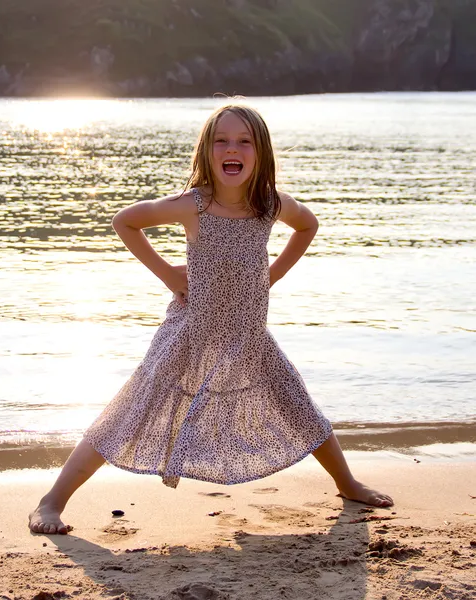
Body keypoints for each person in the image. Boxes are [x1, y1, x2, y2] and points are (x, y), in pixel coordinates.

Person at [29, 103, 393, 535]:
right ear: (206, 150)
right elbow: (125, 221)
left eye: (244, 141)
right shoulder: (193, 206)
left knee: (297, 406)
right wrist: (167, 274)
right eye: (222, 140)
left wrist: (269, 276)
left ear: (261, 152)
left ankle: (347, 483)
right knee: (132, 411)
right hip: (192, 331)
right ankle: (50, 502)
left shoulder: (269, 206)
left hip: (248, 334)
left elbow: (307, 226)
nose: (232, 148)